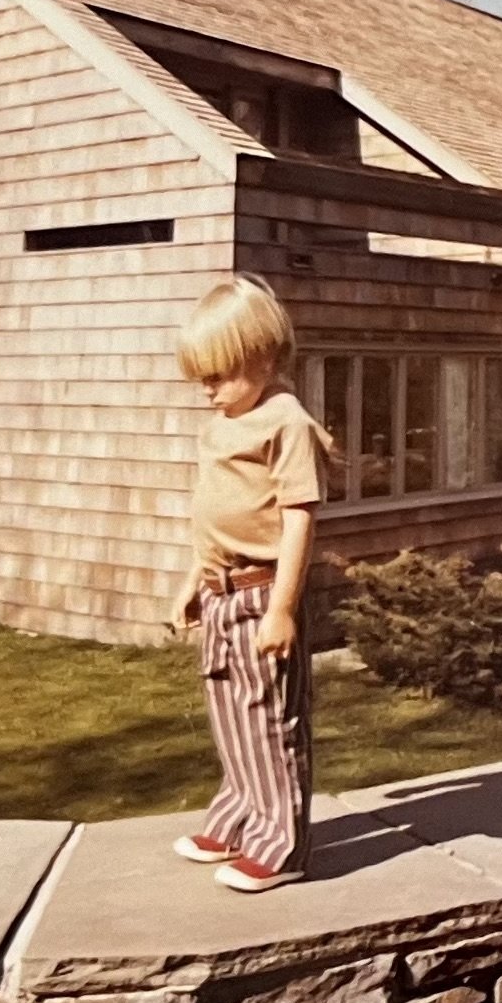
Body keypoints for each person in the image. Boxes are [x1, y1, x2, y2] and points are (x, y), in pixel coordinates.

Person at [166, 276, 332, 892]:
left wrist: (283, 608)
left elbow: (299, 518)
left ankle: (280, 845)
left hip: (264, 594)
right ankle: (239, 817)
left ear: (262, 357)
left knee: (270, 720)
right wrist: (194, 579)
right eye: (201, 380)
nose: (208, 391)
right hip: (221, 590)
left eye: (219, 376)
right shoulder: (223, 422)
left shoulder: (286, 422)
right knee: (230, 714)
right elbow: (215, 514)